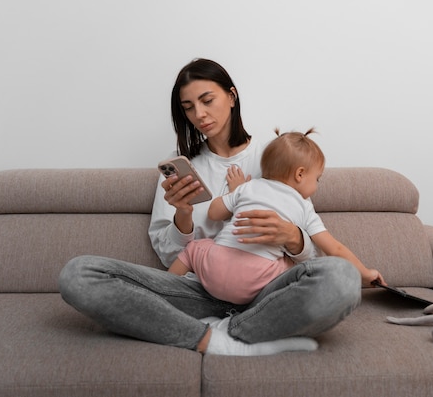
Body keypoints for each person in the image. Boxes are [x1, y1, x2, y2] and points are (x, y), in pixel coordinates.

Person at [58, 58, 362, 356]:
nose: (199, 114)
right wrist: (183, 216)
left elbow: (312, 243)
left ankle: (239, 327)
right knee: (79, 274)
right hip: (199, 290)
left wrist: (293, 238)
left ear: (231, 96)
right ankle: (212, 340)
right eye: (188, 108)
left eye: (207, 100)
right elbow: (169, 256)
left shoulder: (274, 156)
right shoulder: (183, 167)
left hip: (268, 293)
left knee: (342, 278)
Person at [168, 128, 385, 305]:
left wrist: (234, 192)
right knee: (291, 263)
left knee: (195, 247)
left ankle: (165, 286)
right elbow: (334, 249)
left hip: (214, 270)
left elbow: (214, 213)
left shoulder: (249, 187)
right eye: (317, 178)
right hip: (254, 282)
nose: (317, 185)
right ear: (300, 174)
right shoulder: (304, 206)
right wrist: (365, 274)